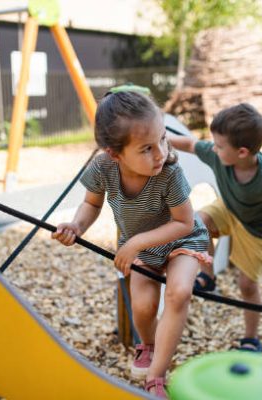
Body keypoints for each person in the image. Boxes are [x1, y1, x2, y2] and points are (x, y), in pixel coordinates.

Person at [52, 90, 211, 398]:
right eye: (147, 148)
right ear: (115, 153)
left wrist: (136, 242)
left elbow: (184, 223)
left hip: (182, 239)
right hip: (143, 250)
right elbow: (91, 204)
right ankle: (148, 344)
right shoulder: (102, 169)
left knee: (178, 293)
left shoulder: (169, 172)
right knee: (143, 305)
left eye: (163, 140)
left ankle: (157, 375)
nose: (160, 154)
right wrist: (76, 225)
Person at [168, 103, 262, 352]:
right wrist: (161, 138)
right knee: (197, 222)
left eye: (219, 146)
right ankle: (207, 276)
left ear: (242, 152)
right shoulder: (219, 155)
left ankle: (251, 338)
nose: (214, 149)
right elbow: (189, 144)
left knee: (246, 286)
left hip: (257, 230)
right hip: (230, 208)